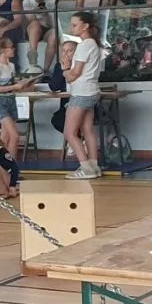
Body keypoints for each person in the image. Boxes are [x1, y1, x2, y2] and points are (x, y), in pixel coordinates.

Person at [63, 11, 105, 180]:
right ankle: (94, 166)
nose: (71, 28)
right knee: (88, 130)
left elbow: (75, 74)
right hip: (92, 90)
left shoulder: (84, 45)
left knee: (70, 132)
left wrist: (65, 69)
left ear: (85, 26)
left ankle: (86, 168)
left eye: (74, 25)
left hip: (81, 92)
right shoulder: (93, 44)